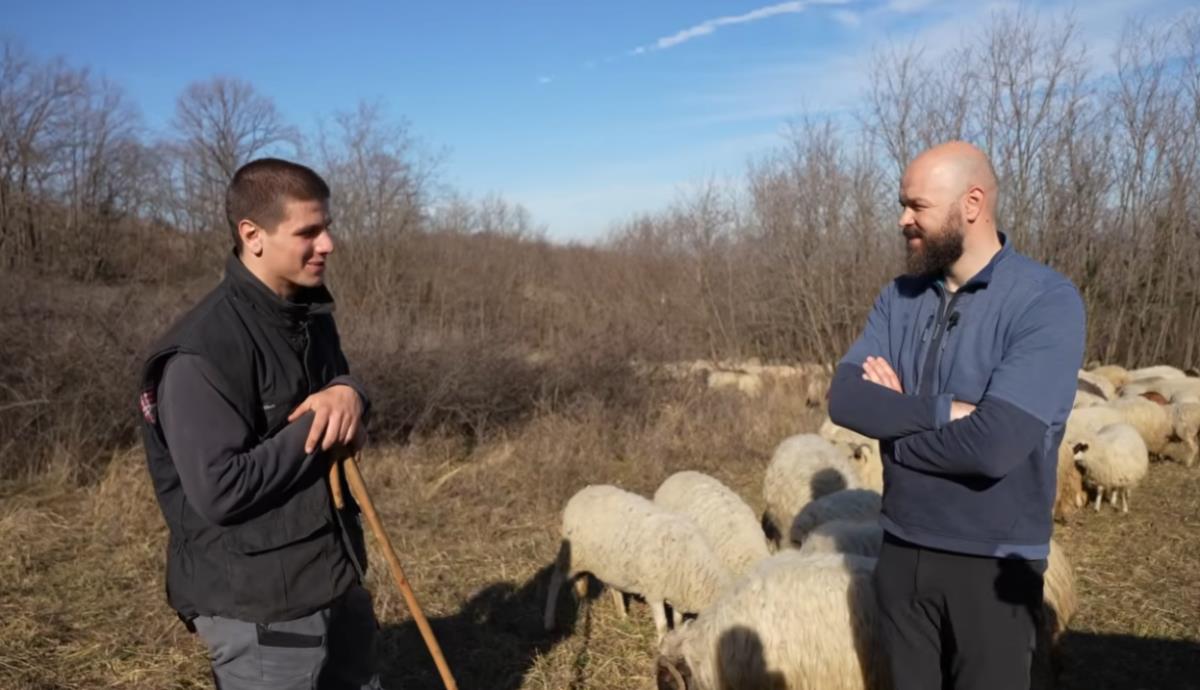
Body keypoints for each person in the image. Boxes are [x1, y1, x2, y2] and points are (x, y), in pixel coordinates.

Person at [828, 141, 1085, 690]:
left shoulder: (1045, 301)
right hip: (899, 553)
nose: (903, 220)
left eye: (916, 206)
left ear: (971, 204)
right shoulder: (899, 298)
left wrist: (893, 430)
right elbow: (846, 401)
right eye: (903, 204)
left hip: (992, 568)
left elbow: (995, 446)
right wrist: (945, 412)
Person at [137, 158, 383, 689]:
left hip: (330, 567)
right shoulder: (201, 352)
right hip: (259, 603)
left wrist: (350, 392)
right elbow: (221, 490)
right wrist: (322, 422)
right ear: (253, 235)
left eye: (328, 227)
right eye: (309, 231)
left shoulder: (306, 314)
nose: (328, 245)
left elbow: (338, 389)